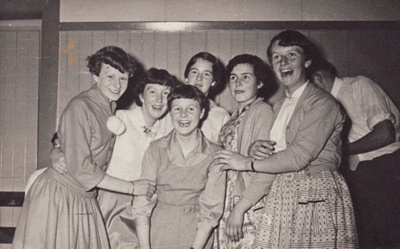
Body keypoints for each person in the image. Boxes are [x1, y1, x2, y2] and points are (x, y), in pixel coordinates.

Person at [214, 30, 358, 248]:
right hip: (283, 192)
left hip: (314, 192)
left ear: (307, 61)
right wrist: (255, 148)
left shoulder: (322, 103)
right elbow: (276, 149)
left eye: (292, 55)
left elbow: (299, 156)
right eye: (277, 57)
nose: (283, 62)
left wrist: (245, 162)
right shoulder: (280, 105)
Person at [12, 46, 156, 249]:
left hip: (85, 197)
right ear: (96, 76)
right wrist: (132, 187)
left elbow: (71, 141)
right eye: (110, 76)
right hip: (59, 196)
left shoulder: (110, 108)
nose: (117, 85)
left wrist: (58, 148)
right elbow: (82, 169)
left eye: (122, 78)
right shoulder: (81, 105)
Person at [310, 58, 400, 248]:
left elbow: (385, 134)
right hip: (360, 175)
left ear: (317, 78)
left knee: (389, 237)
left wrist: (340, 150)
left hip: (386, 167)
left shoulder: (359, 85)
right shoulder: (326, 105)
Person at [131, 84, 226, 249]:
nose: (183, 115)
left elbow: (210, 210)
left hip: (196, 235)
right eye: (177, 109)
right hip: (158, 231)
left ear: (202, 113)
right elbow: (142, 205)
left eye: (191, 109)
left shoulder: (216, 155)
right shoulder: (155, 149)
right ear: (170, 112)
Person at [215, 54, 276, 249]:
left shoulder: (262, 111)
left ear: (259, 83)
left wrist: (239, 210)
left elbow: (267, 169)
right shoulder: (233, 117)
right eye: (233, 77)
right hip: (228, 203)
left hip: (249, 205)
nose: (237, 83)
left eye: (246, 77)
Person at [183, 52, 230, 143]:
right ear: (186, 77)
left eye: (206, 74)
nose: (199, 78)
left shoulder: (221, 116)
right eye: (194, 72)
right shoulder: (170, 109)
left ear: (213, 82)